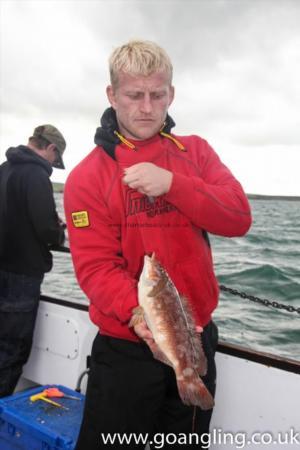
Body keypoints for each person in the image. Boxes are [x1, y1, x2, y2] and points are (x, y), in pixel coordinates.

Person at [64, 40, 252, 449]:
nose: (147, 107)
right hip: (126, 350)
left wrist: (172, 184)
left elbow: (238, 216)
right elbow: (95, 268)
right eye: (134, 95)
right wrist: (139, 316)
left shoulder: (196, 152)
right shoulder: (87, 177)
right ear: (112, 95)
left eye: (157, 94)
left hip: (196, 340)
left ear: (171, 94)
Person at [0, 124, 66, 397]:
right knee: (11, 351)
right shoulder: (37, 174)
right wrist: (59, 232)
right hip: (21, 275)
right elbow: (46, 229)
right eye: (55, 157)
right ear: (50, 148)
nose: (53, 163)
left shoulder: (4, 168)